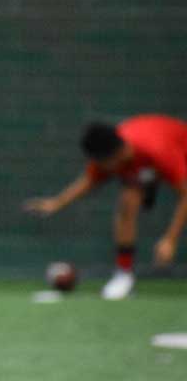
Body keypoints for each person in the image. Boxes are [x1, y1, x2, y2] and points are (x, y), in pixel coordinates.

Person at [24, 114, 187, 299]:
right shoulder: (117, 154)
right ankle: (124, 275)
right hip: (147, 167)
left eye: (101, 162)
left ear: (114, 156)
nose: (100, 167)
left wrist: (170, 239)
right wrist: (57, 203)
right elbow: (89, 180)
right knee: (128, 202)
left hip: (180, 151)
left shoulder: (157, 150)